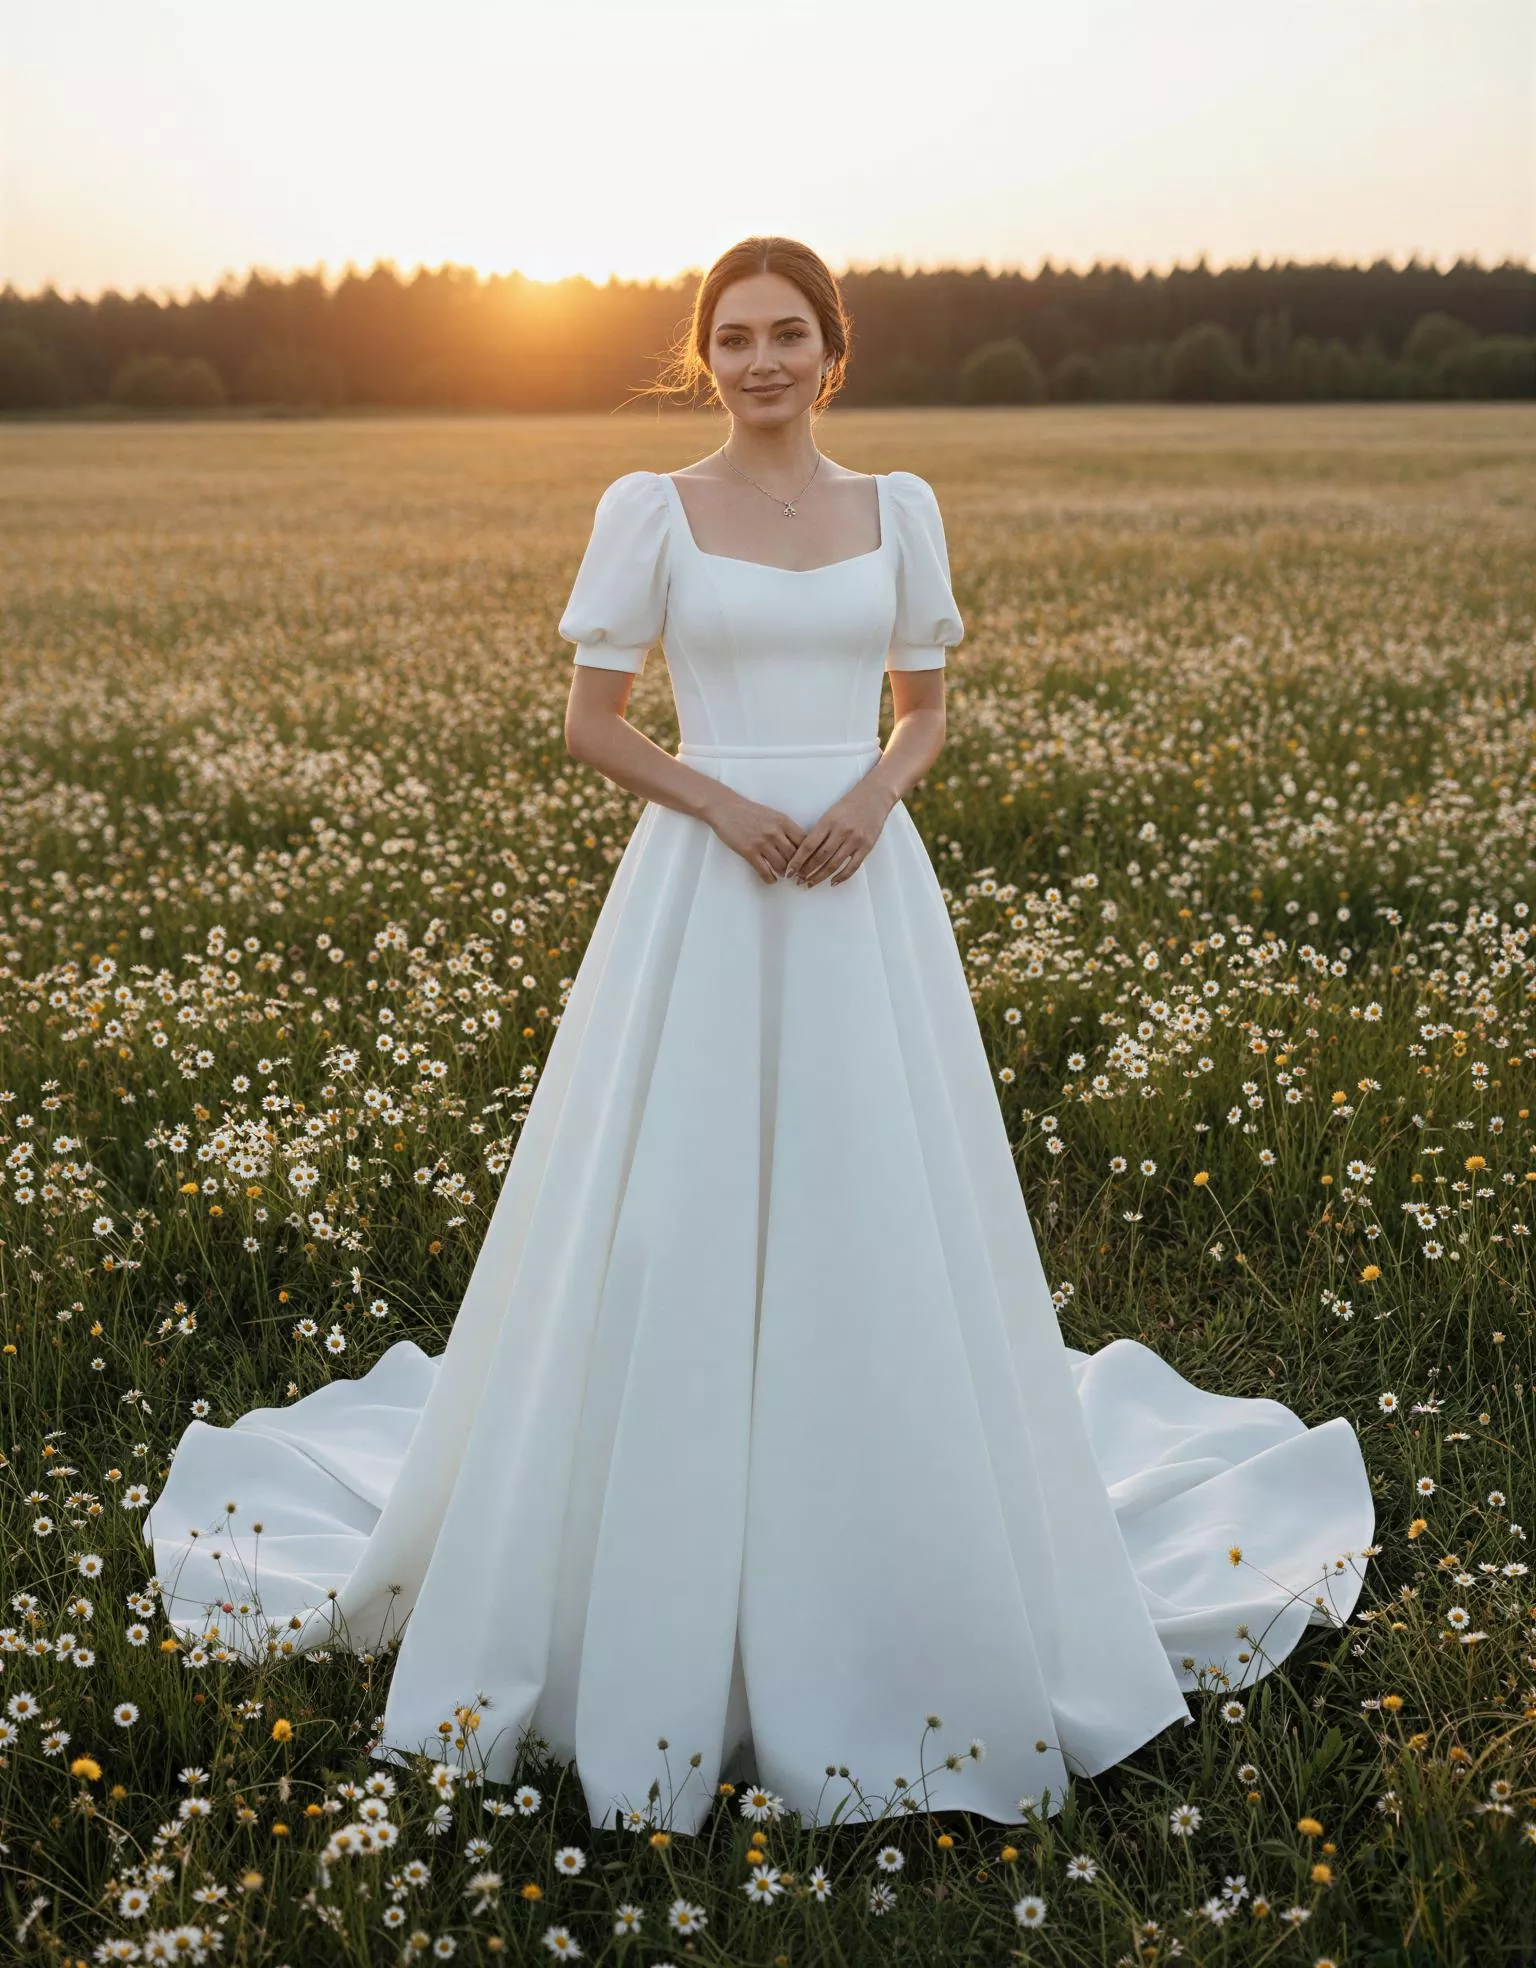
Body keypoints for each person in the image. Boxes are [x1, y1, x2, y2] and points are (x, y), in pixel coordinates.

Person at [146, 236, 1375, 1836]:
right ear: (704, 355)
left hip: (865, 889)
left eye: (790, 334)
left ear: (833, 350)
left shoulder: (901, 508)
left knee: (880, 1199)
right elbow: (592, 722)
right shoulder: (649, 507)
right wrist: (725, 801)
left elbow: (922, 706)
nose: (762, 360)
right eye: (734, 337)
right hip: (705, 893)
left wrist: (869, 794)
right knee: (678, 1205)